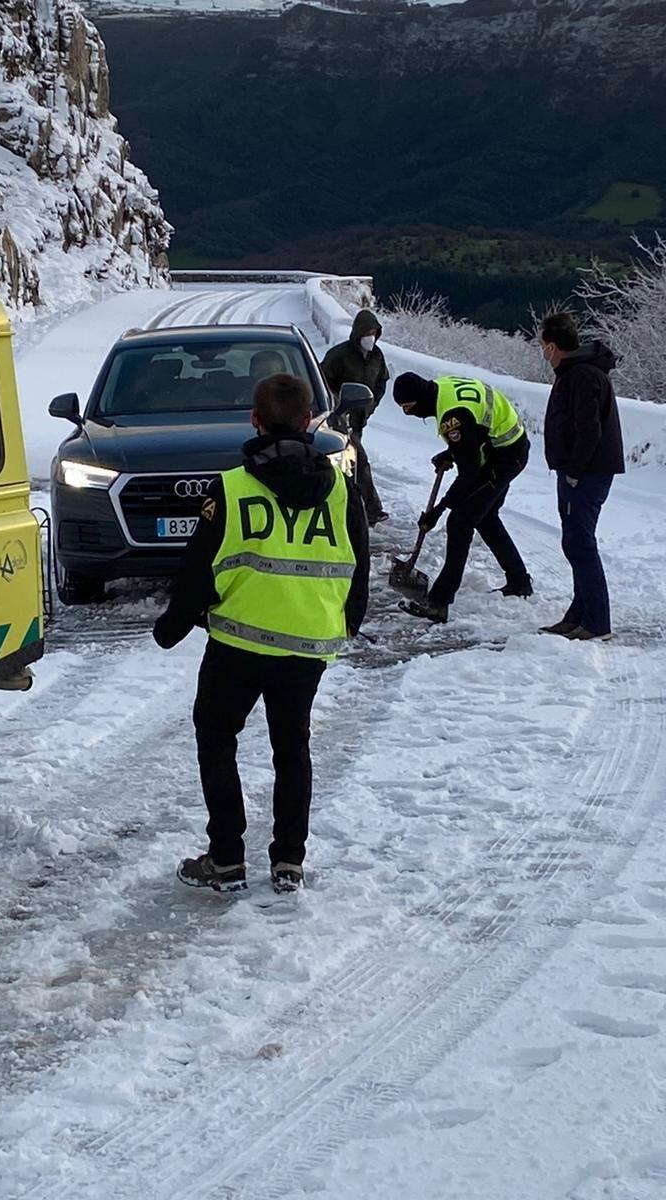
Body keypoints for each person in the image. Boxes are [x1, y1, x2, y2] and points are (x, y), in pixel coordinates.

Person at [154, 372, 370, 895]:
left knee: (216, 736)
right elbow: (360, 565)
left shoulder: (230, 489)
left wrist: (170, 628)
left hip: (238, 645)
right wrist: (347, 624)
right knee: (291, 746)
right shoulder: (341, 490)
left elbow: (197, 571)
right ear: (306, 423)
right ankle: (288, 862)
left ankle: (227, 859)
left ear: (255, 421)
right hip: (307, 646)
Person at [391, 372, 532, 623]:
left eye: (409, 408)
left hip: (505, 457)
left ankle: (439, 603)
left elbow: (469, 475)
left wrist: (439, 509)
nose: (408, 414)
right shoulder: (442, 388)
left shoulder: (453, 417)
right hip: (501, 447)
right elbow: (473, 431)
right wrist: (453, 451)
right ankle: (519, 581)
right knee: (485, 517)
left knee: (460, 522)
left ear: (421, 399)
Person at [537, 313, 624, 641]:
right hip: (577, 472)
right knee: (574, 541)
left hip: (586, 473)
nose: (542, 351)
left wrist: (574, 469)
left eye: (543, 344)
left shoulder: (583, 376)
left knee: (580, 542)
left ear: (554, 346)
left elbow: (589, 429)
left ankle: (597, 622)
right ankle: (579, 614)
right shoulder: (574, 372)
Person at [318, 309, 389, 526]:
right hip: (339, 418)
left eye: (374, 332)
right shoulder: (339, 355)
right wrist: (337, 405)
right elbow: (322, 381)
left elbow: (381, 382)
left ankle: (353, 505)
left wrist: (371, 404)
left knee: (353, 462)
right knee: (358, 460)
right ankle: (370, 509)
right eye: (367, 332)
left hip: (360, 418)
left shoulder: (377, 356)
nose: (371, 336)